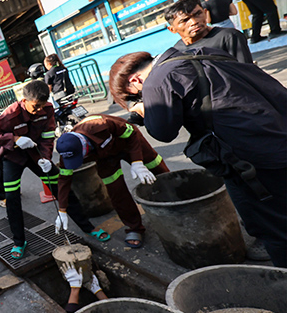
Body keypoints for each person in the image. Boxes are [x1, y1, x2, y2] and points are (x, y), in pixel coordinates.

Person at [107, 48, 287, 267]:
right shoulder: (200, 53)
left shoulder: (157, 80)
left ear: (134, 80)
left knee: (275, 228)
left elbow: (163, 132)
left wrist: (146, 111)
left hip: (254, 155)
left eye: (135, 95)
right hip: (276, 131)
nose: (140, 98)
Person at [0, 81, 110, 259]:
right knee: (11, 198)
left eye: (42, 106)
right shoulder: (11, 113)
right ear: (24, 100)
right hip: (13, 158)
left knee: (61, 187)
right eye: (35, 107)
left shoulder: (48, 109)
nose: (39, 110)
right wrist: (15, 138)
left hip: (36, 155)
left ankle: (87, 227)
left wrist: (45, 158)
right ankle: (19, 241)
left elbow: (48, 136)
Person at [54, 114, 169, 249]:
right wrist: (62, 209)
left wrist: (137, 162)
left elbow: (131, 133)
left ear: (83, 144)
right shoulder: (67, 154)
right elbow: (64, 180)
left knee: (156, 168)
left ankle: (177, 200)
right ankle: (134, 228)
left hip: (129, 143)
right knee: (116, 190)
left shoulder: (99, 125)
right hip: (105, 158)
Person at [165, 0, 253, 64]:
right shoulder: (177, 52)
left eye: (198, 14)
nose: (194, 22)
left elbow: (247, 72)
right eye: (185, 20)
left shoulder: (229, 37)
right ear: (172, 29)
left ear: (205, 13)